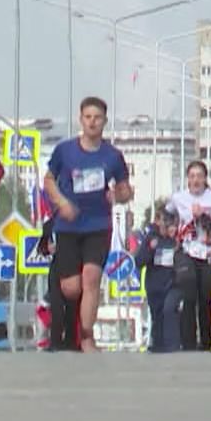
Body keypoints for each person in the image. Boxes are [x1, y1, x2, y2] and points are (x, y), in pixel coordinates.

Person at [44, 96, 134, 352]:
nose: (92, 122)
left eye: (97, 118)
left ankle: (87, 336)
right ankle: (71, 320)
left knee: (92, 278)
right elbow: (48, 180)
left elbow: (125, 190)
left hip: (98, 224)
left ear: (105, 121)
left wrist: (119, 195)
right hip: (69, 225)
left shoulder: (113, 156)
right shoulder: (65, 151)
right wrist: (62, 203)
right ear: (80, 120)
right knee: (72, 288)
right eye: (88, 117)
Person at [165, 160, 211, 352]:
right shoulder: (179, 198)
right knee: (188, 290)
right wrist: (170, 227)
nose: (195, 180)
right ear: (187, 179)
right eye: (192, 176)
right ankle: (188, 342)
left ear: (205, 179)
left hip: (209, 253)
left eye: (199, 176)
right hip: (187, 250)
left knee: (206, 294)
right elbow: (165, 213)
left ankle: (206, 341)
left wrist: (203, 217)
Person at [136, 210, 182, 353]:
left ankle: (172, 344)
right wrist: (150, 248)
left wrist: (178, 247)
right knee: (157, 314)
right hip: (154, 284)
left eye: (169, 221)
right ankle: (158, 344)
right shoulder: (151, 238)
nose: (166, 225)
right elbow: (139, 261)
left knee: (169, 309)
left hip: (173, 283)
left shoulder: (177, 238)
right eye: (164, 220)